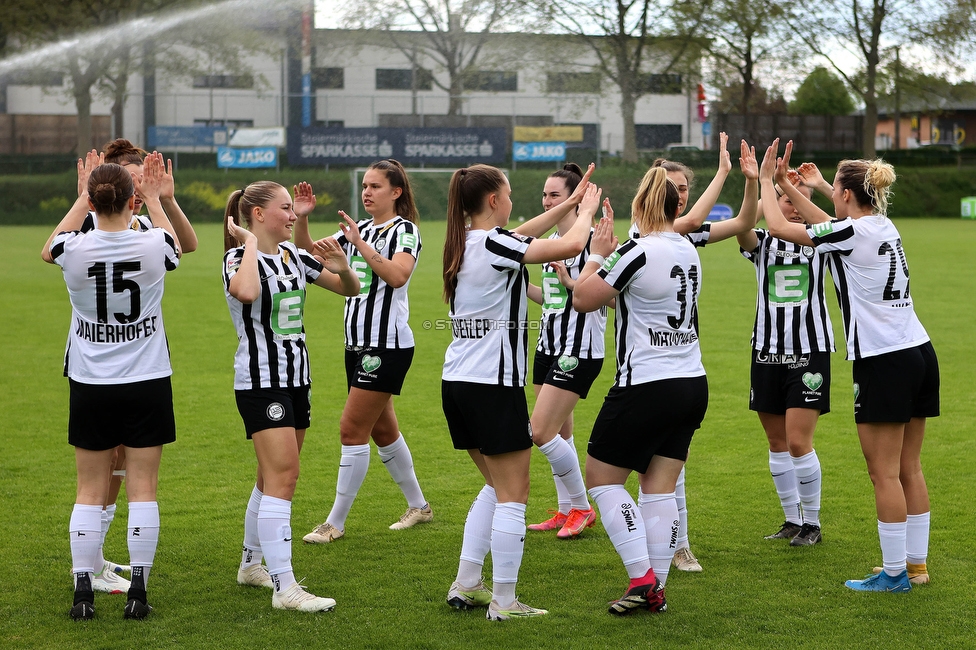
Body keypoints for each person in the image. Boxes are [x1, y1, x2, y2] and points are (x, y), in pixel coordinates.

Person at [760, 139, 939, 592]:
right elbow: (835, 222)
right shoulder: (882, 225)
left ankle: (894, 573)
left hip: (884, 360)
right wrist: (817, 184)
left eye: (834, 188)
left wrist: (769, 181)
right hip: (919, 351)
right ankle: (915, 568)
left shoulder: (849, 232)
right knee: (909, 467)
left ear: (845, 196)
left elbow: (781, 226)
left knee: (883, 471)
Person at [441, 163, 600, 620]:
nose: (513, 203)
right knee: (513, 495)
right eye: (508, 195)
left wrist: (568, 205)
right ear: (494, 201)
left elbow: (517, 235)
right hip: (492, 386)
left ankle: (467, 583)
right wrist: (586, 214)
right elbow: (571, 244)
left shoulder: (465, 240)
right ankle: (505, 602)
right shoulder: (495, 243)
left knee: (494, 487)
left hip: (458, 385)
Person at [48, 141, 198, 597]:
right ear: (132, 200)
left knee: (88, 489)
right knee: (143, 487)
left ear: (92, 201)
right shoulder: (154, 243)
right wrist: (155, 197)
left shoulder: (72, 250)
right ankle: (139, 588)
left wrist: (82, 195)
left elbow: (50, 247)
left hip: (91, 381)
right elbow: (177, 245)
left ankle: (82, 590)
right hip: (147, 378)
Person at [573, 166, 710, 615]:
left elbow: (583, 298)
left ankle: (642, 578)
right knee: (658, 488)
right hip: (691, 382)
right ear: (675, 206)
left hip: (646, 384)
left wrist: (596, 255)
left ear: (641, 206)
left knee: (601, 479)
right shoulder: (688, 248)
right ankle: (655, 590)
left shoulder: (636, 250)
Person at [223, 181, 359, 611]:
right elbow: (245, 292)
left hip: (297, 378)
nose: (293, 216)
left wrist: (343, 265)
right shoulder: (235, 258)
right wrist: (246, 243)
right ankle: (285, 589)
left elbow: (350, 290)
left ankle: (251, 565)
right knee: (285, 477)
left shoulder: (296, 256)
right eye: (285, 209)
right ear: (257, 214)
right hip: (262, 382)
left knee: (271, 478)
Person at [628, 135, 757, 573]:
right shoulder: (643, 235)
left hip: (680, 362)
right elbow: (700, 217)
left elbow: (741, 222)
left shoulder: (681, 238)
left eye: (684, 189)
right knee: (643, 469)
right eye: (674, 189)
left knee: (669, 463)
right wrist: (724, 172)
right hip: (645, 363)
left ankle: (676, 546)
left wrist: (753, 182)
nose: (680, 198)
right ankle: (650, 549)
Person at [295, 160, 432, 544]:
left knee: (351, 429)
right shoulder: (364, 227)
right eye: (365, 186)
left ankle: (334, 523)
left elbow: (398, 275)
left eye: (375, 186)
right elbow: (311, 252)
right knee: (383, 429)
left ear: (396, 192)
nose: (367, 192)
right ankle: (419, 507)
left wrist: (357, 243)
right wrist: (303, 218)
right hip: (355, 345)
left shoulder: (403, 230)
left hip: (385, 345)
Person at [737, 163, 835, 546]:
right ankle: (792, 520)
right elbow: (742, 227)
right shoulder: (762, 241)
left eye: (800, 201)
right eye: (786, 201)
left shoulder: (824, 242)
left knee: (798, 441)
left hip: (809, 351)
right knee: (776, 442)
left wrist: (802, 189)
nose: (794, 207)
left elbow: (842, 221)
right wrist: (759, 185)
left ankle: (812, 523)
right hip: (766, 351)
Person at [524, 162, 604, 540]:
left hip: (579, 348)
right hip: (547, 345)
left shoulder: (594, 240)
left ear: (575, 198)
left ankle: (583, 507)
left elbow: (606, 296)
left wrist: (572, 281)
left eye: (554, 194)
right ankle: (566, 509)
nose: (546, 200)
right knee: (560, 433)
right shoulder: (549, 243)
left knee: (540, 432)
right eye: (544, 193)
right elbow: (553, 300)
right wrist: (524, 288)